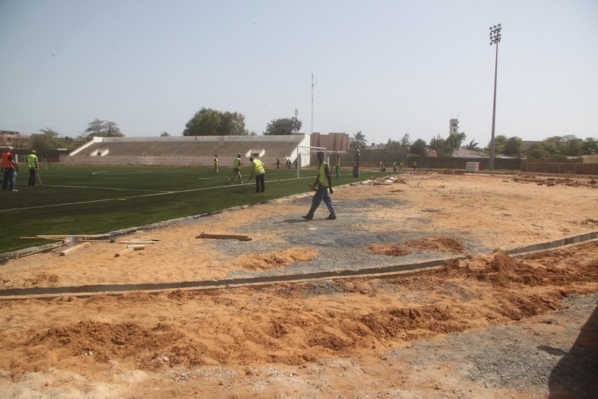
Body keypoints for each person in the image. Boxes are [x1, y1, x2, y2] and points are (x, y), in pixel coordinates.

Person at [303, 151, 336, 221]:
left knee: (316, 200)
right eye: (317, 156)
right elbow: (319, 176)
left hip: (323, 186)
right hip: (322, 186)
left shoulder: (325, 165)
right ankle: (333, 214)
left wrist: (330, 188)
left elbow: (329, 176)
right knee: (328, 200)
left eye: (319, 156)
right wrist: (314, 185)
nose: (318, 158)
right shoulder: (320, 165)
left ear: (322, 157)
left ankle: (310, 215)